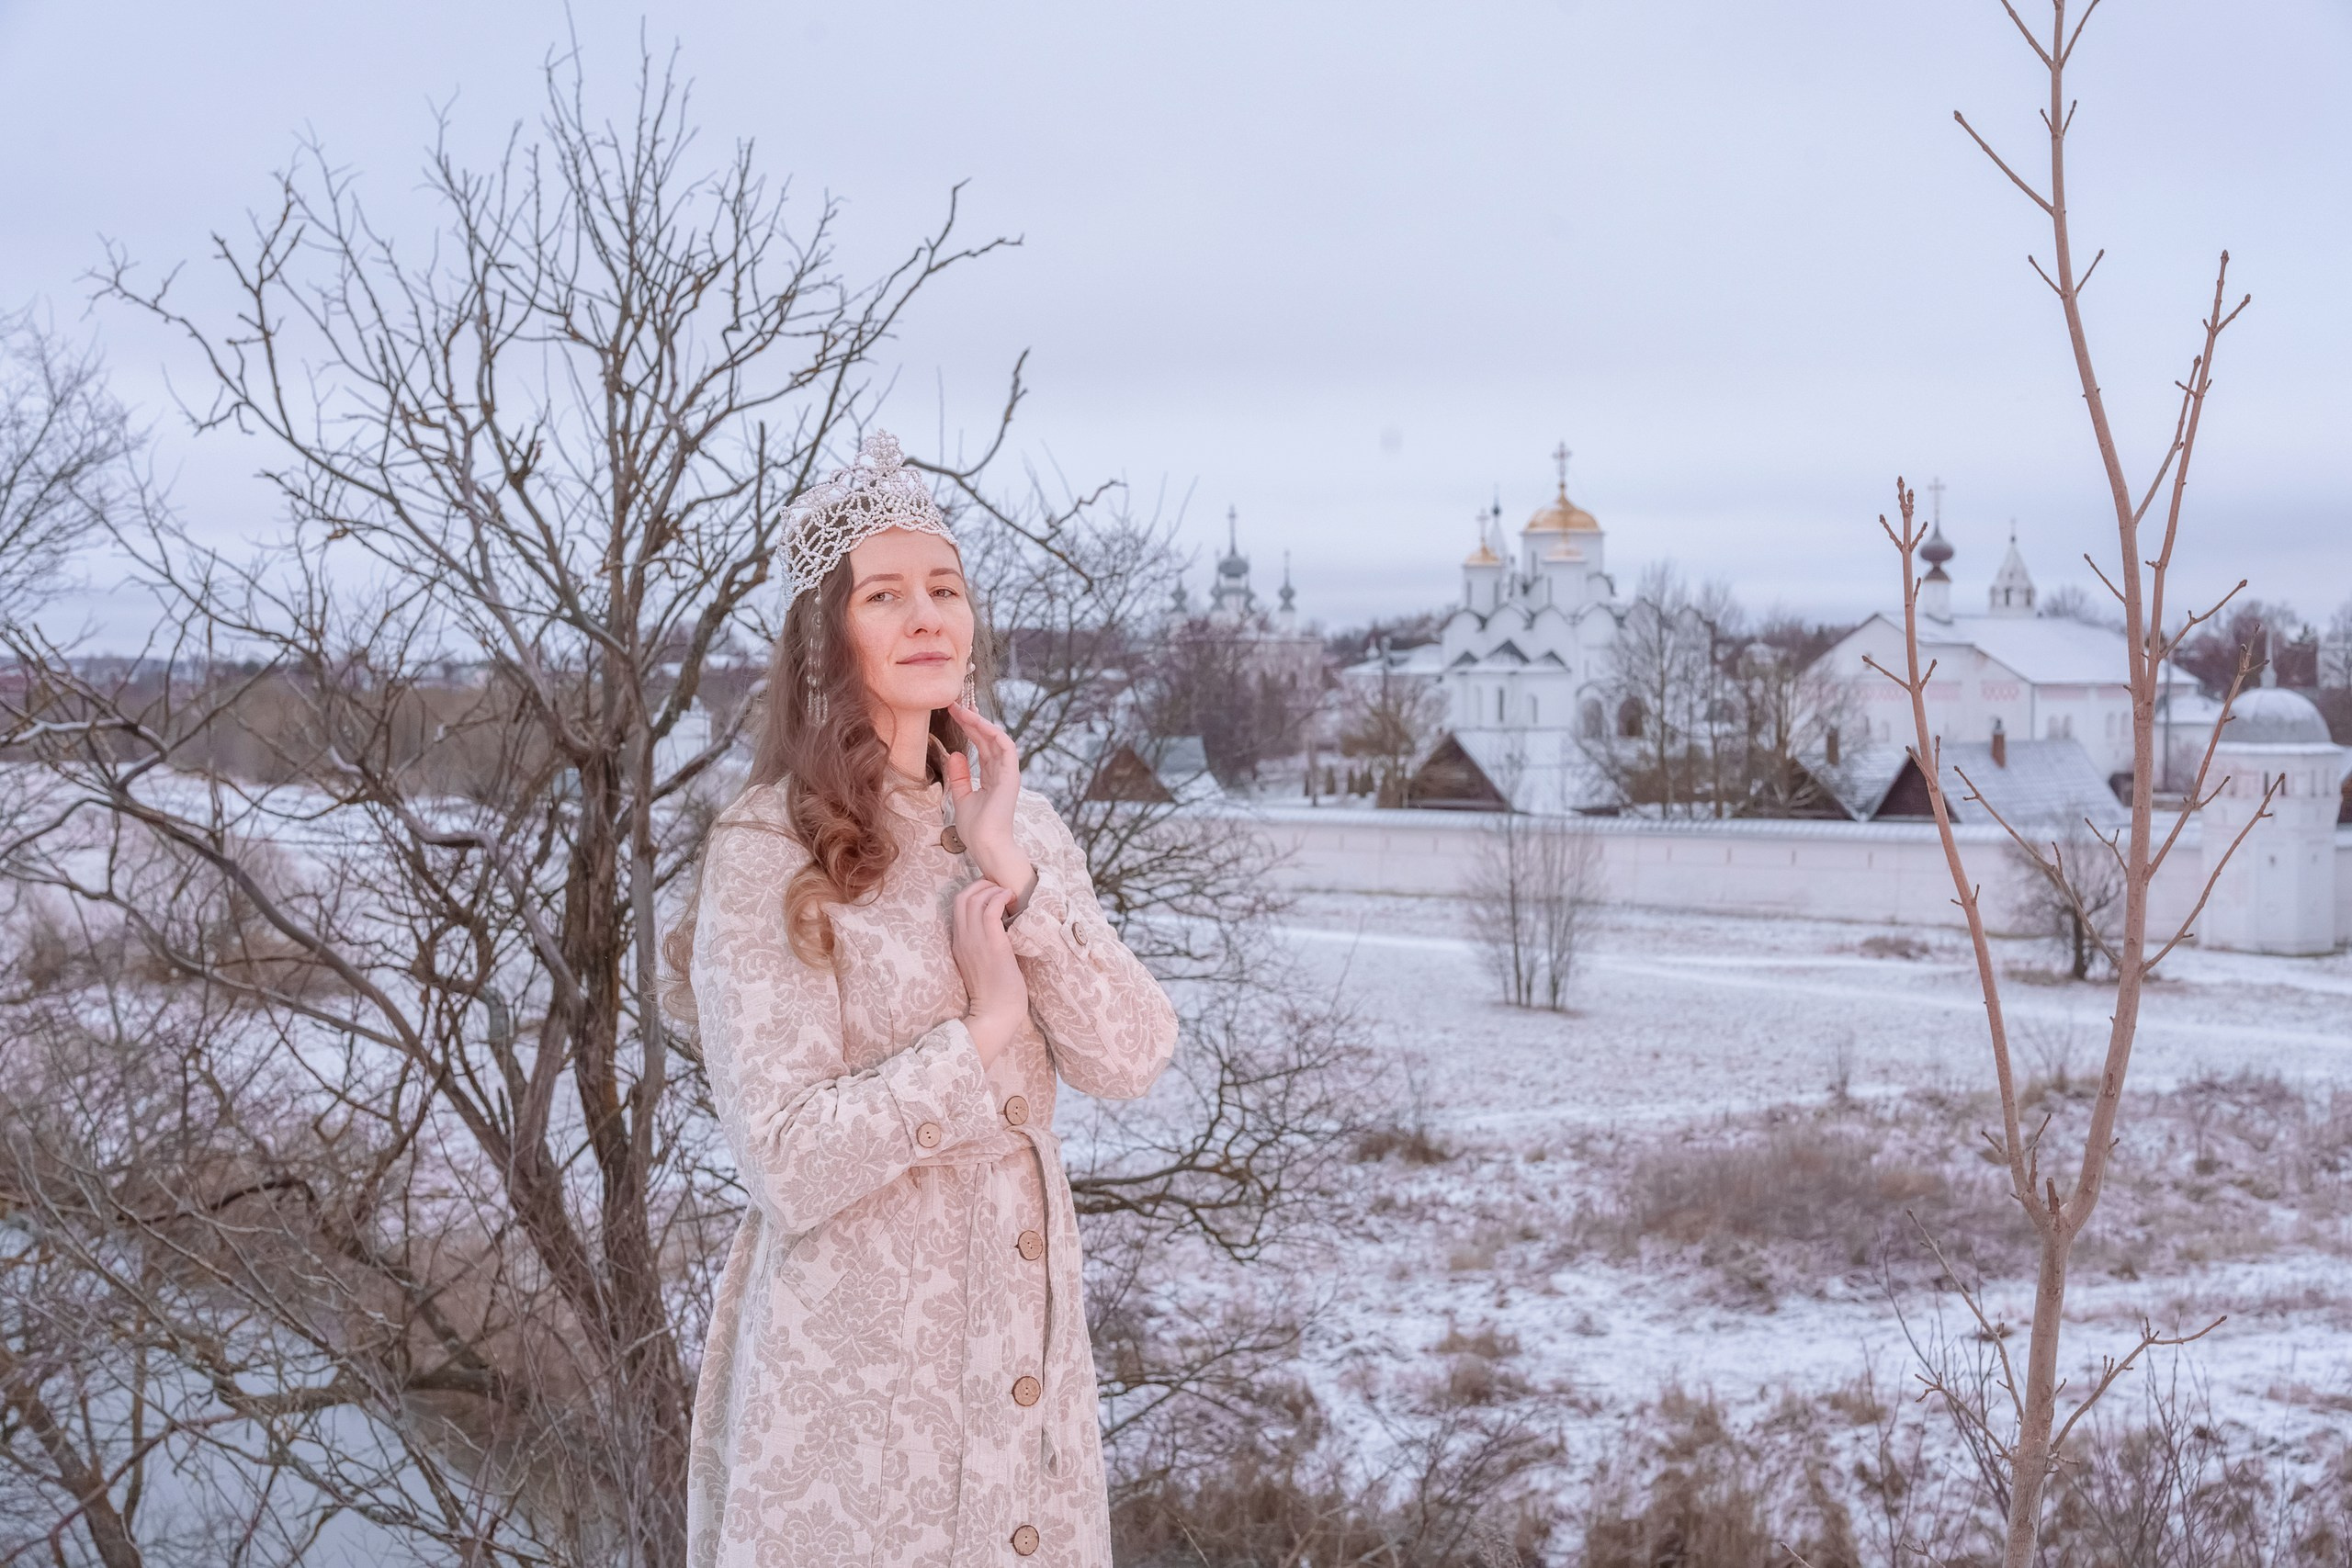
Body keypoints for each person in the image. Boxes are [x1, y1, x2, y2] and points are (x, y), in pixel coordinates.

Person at [670, 432, 1179, 1568]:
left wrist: (1011, 872)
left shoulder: (1022, 825)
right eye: (885, 595)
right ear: (826, 635)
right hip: (852, 1385)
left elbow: (1135, 1054)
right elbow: (785, 1159)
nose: (925, 618)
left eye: (944, 590)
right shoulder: (766, 847)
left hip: (1019, 1370)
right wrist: (983, 1035)